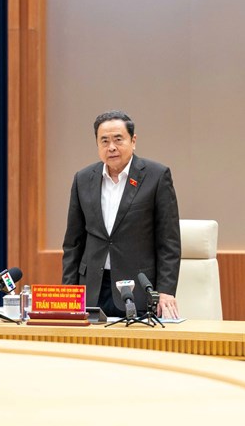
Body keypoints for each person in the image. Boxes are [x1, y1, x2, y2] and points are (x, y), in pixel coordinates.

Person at [62, 110, 181, 319]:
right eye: (104, 141)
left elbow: (168, 242)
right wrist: (68, 293)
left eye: (118, 139)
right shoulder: (83, 179)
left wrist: (165, 291)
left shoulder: (156, 176)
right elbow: (73, 243)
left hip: (138, 290)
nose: (111, 147)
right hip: (92, 290)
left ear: (133, 141)